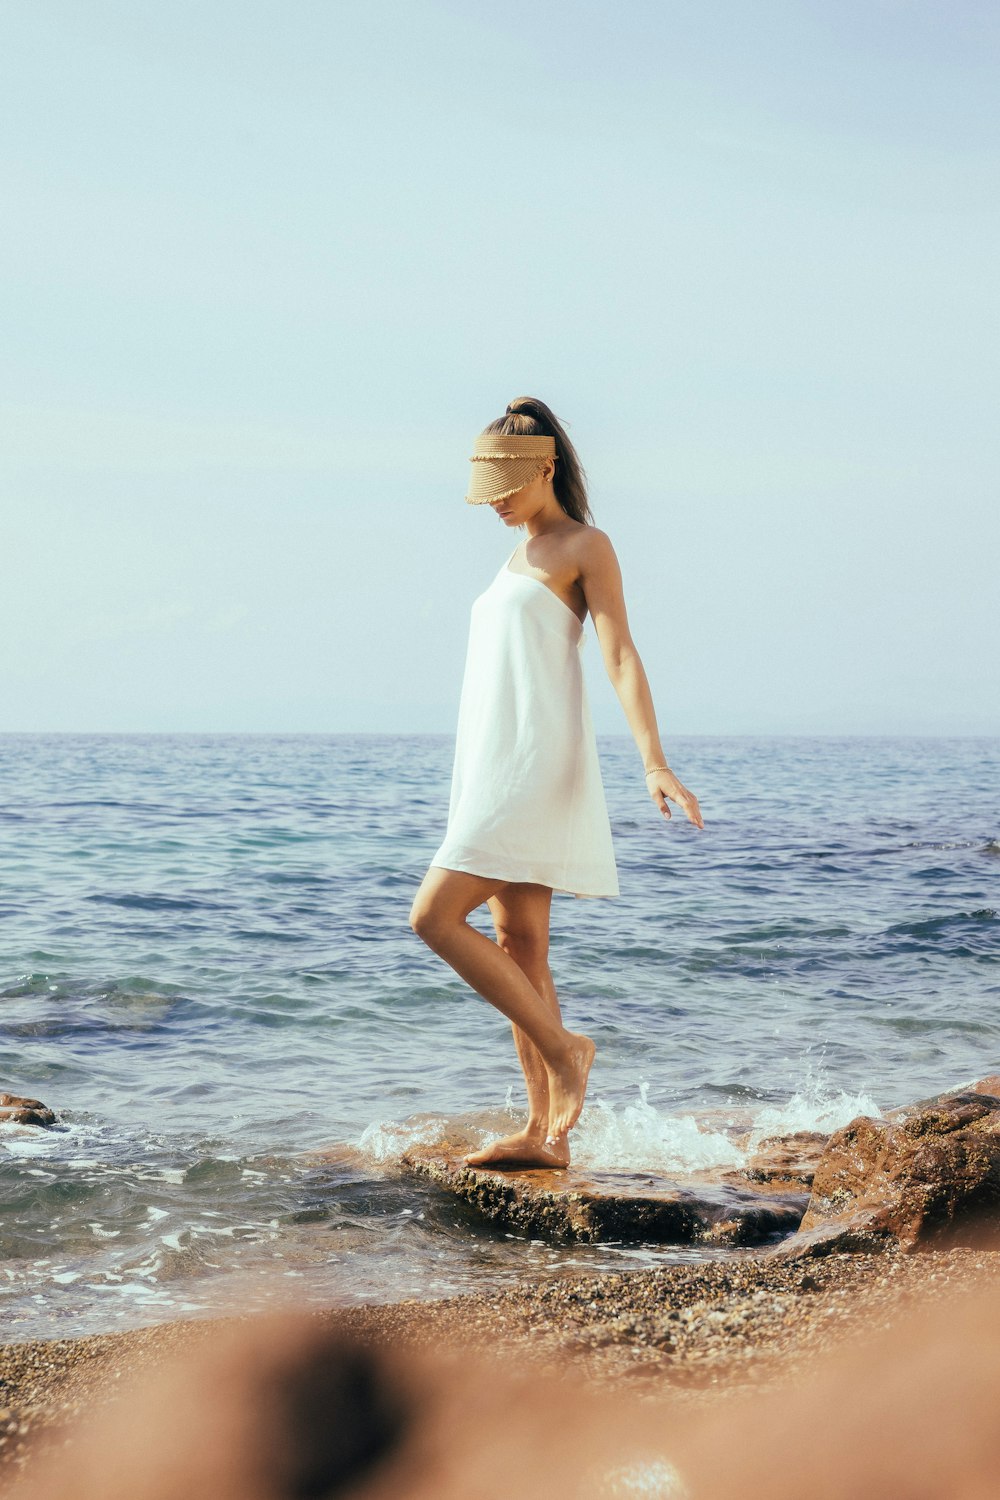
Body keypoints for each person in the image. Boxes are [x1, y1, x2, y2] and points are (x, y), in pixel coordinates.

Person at [409, 397, 703, 1170]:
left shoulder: (584, 545)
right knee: (521, 943)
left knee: (433, 919)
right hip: (490, 762)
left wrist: (653, 761)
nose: (495, 501)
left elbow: (620, 656)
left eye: (506, 483)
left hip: (532, 765)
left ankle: (567, 1051)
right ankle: (546, 1137)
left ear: (546, 466)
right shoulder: (513, 556)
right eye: (487, 488)